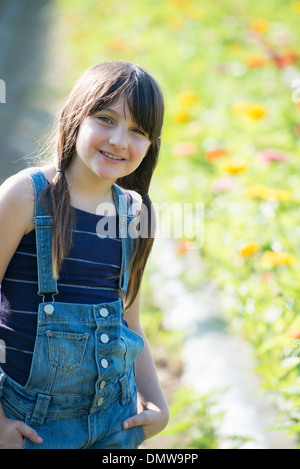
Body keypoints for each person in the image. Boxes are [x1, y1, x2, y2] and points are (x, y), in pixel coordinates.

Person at [0, 61, 169, 449]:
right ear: (76, 116)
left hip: (115, 421)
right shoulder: (27, 196)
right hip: (32, 426)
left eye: (138, 131)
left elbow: (130, 318)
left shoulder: (137, 214)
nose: (119, 141)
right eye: (106, 119)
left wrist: (157, 403)